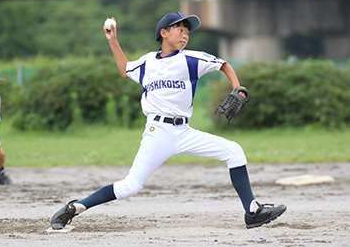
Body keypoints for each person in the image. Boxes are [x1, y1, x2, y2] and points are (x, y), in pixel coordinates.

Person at [50, 12, 286, 230]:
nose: (185, 34)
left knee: (234, 151)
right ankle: (75, 207)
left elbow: (223, 64)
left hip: (184, 132)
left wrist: (238, 88)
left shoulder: (191, 59)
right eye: (179, 29)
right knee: (130, 186)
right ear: (163, 33)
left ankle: (252, 211)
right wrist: (113, 40)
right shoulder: (147, 63)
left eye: (187, 31)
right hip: (157, 132)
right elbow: (125, 69)